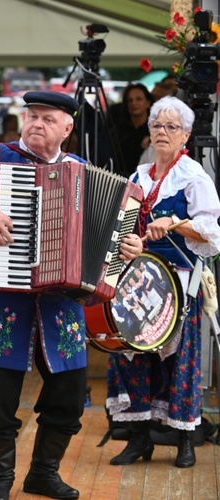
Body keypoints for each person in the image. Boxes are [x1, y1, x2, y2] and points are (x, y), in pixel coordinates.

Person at [0, 90, 143, 500]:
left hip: (59, 308)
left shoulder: (81, 170)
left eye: (47, 118)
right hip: (1, 302)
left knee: (68, 396)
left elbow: (113, 241)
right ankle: (0, 481)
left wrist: (128, 247)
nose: (36, 124)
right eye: (31, 116)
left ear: (67, 128)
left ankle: (43, 473)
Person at [106, 96, 220, 469]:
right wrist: (128, 241)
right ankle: (139, 438)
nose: (162, 132)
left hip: (178, 284)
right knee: (133, 356)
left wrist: (174, 223)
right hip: (139, 283)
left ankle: (186, 438)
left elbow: (212, 236)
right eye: (157, 125)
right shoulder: (138, 177)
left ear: (186, 134)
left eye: (172, 127)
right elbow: (122, 226)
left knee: (179, 362)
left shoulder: (194, 177)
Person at [114, 83, 154, 178]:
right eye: (130, 100)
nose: (134, 103)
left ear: (148, 103)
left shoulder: (155, 129)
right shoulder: (118, 131)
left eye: (139, 99)